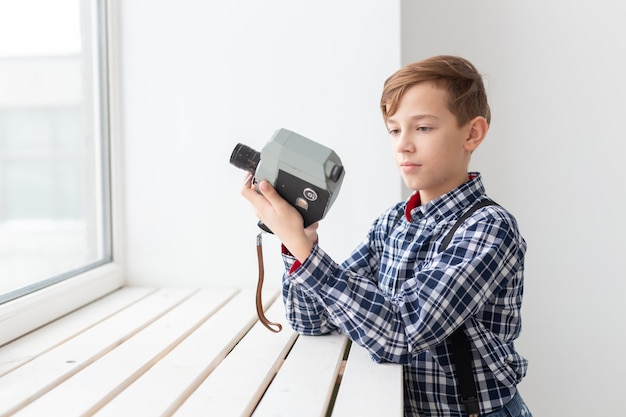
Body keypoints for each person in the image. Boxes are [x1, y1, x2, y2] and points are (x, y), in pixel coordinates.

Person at [241, 55, 531, 417]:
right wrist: (301, 239)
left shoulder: (488, 228)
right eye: (394, 130)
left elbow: (402, 332)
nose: (403, 145)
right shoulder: (393, 223)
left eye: (422, 128)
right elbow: (313, 319)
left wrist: (302, 249)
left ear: (472, 133)